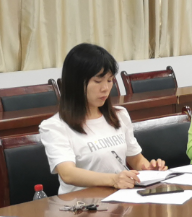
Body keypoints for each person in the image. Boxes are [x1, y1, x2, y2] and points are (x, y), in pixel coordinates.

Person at [39, 43, 166, 195]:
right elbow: (68, 174)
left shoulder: (119, 115)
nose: (105, 88)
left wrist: (149, 170)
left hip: (121, 199)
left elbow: (136, 159)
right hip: (81, 204)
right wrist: (113, 180)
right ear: (76, 83)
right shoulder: (54, 126)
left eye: (110, 80)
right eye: (98, 81)